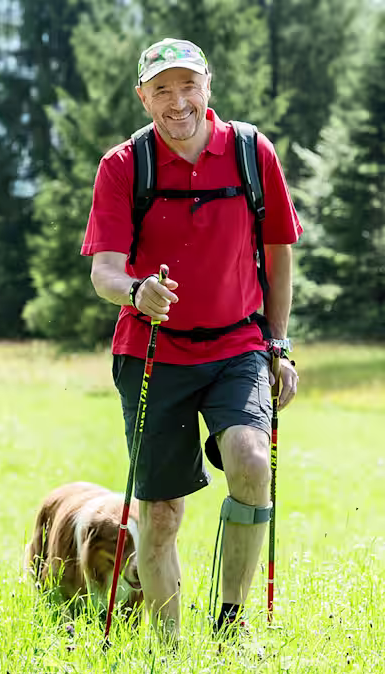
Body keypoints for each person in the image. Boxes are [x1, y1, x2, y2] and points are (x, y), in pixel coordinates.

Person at [82, 38, 300, 642]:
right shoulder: (125, 165)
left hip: (238, 345)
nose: (177, 102)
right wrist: (135, 291)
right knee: (160, 515)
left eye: (187, 86)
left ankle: (229, 629)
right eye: (162, 90)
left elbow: (278, 252)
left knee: (253, 463)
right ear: (142, 96)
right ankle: (170, 652)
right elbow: (104, 270)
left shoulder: (253, 154)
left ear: (208, 85)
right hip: (153, 354)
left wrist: (277, 343)